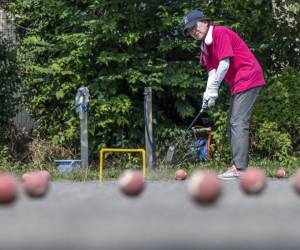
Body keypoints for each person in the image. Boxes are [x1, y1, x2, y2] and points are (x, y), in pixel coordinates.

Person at [183, 10, 266, 179]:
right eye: (189, 30)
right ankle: (237, 165)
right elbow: (212, 71)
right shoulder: (206, 46)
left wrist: (214, 89)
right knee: (232, 123)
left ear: (205, 22)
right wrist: (208, 94)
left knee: (238, 122)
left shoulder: (219, 33)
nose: (193, 31)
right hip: (239, 82)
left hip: (248, 76)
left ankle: (240, 169)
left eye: (195, 26)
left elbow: (224, 63)